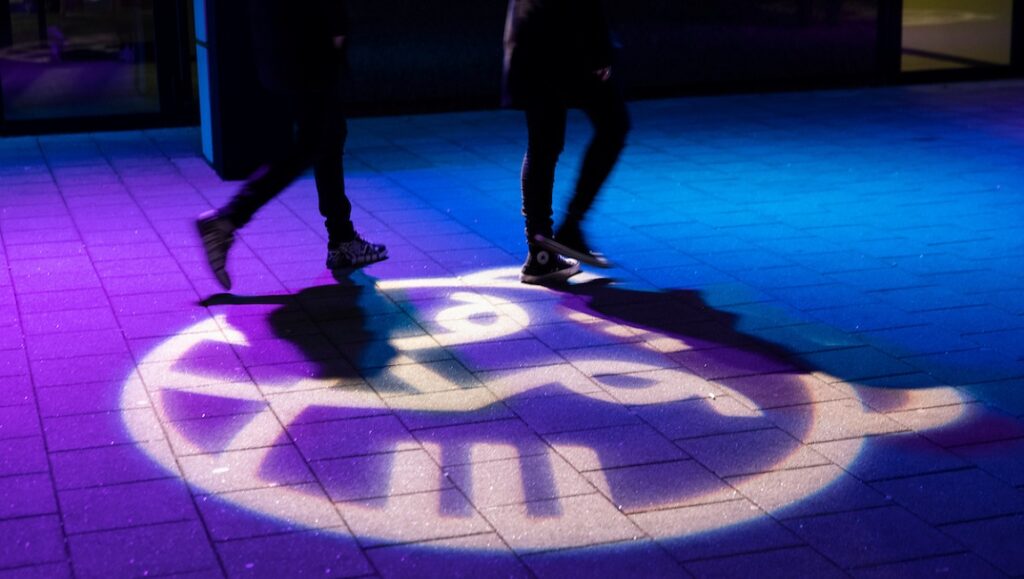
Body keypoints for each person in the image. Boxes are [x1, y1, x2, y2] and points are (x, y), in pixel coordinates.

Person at [196, 0, 386, 290]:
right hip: (308, 44)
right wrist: (335, 27)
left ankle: (341, 238)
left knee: (328, 134)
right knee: (311, 143)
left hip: (285, 40)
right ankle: (227, 219)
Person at [503, 0, 630, 284]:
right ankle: (571, 227)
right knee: (614, 125)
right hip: (564, 36)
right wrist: (600, 52)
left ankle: (541, 255)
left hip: (528, 32)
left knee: (542, 143)